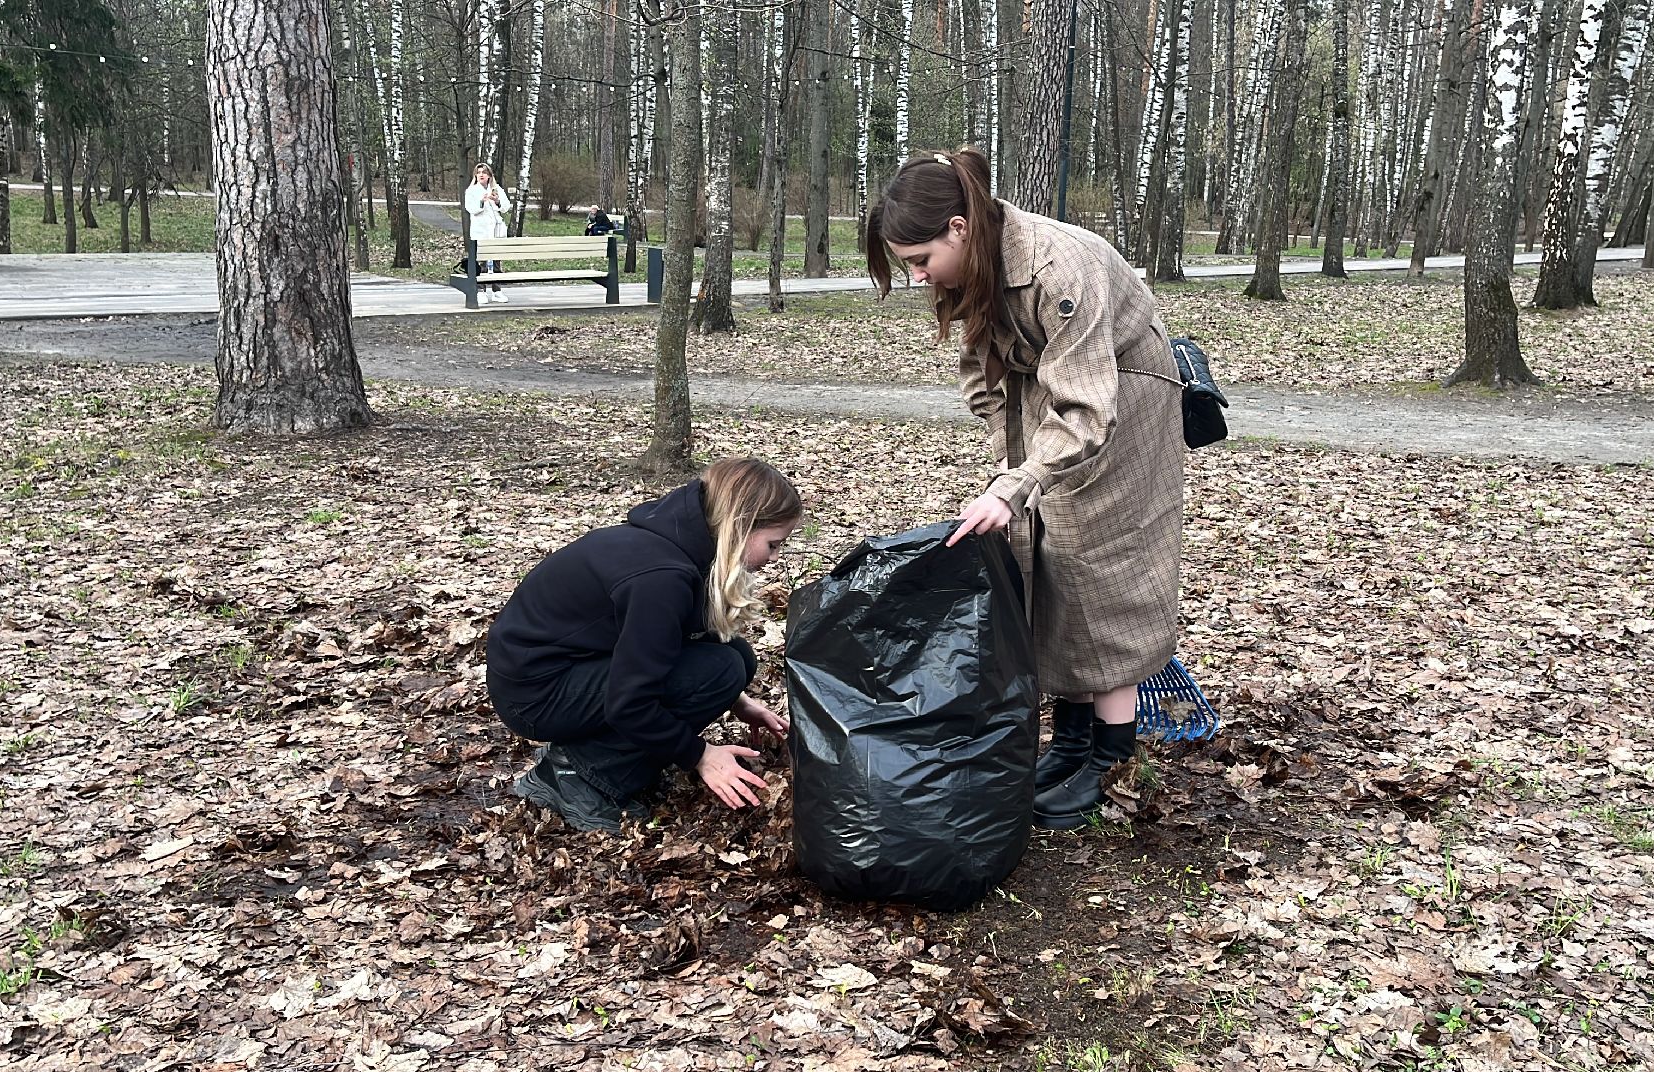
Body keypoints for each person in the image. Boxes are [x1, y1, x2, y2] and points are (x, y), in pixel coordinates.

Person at [864, 147, 1186, 831]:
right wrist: (1010, 468)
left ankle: (1110, 758)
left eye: (920, 259)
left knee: (1100, 573)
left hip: (1124, 400)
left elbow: (1087, 406)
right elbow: (981, 372)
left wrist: (1018, 481)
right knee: (1044, 563)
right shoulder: (974, 264)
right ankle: (1070, 742)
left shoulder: (1057, 267)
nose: (918, 276)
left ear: (958, 228)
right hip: (1050, 400)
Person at [487, 458, 803, 832]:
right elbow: (630, 703)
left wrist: (739, 702)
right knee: (719, 670)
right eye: (773, 544)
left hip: (566, 667)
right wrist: (700, 755)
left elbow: (671, 639)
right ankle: (576, 774)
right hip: (533, 694)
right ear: (740, 526)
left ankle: (590, 752)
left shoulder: (681, 538)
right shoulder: (662, 577)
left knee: (736, 657)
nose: (774, 558)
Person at [464, 163, 510, 303]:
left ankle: (497, 291)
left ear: (489, 175)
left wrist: (497, 201)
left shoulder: (496, 189)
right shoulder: (472, 191)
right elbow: (470, 208)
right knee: (482, 262)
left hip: (496, 231)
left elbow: (506, 207)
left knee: (496, 262)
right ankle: (480, 291)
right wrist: (482, 201)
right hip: (481, 230)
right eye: (478, 172)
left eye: (484, 172)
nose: (481, 175)